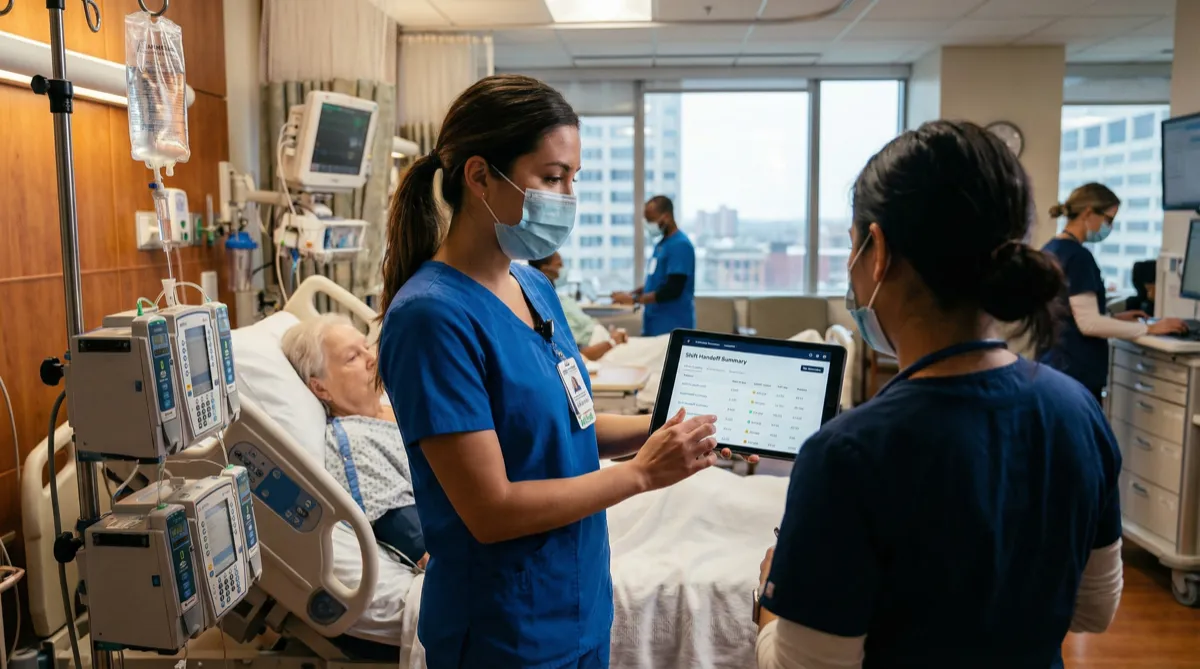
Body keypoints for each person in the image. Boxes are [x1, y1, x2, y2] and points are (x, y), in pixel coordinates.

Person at [375, 74, 747, 669]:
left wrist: (668, 430)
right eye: (551, 178)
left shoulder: (533, 286)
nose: (567, 196)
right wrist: (642, 476)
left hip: (580, 606)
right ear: (479, 177)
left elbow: (569, 424)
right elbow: (491, 509)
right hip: (504, 632)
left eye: (573, 179)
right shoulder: (431, 319)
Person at [753, 121, 1124, 669]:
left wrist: (770, 608)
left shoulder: (848, 454)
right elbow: (1094, 610)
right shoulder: (1079, 413)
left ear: (875, 251)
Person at [280, 313, 428, 568]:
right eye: (353, 357)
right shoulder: (353, 446)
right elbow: (421, 548)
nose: (372, 358)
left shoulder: (390, 402)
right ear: (320, 388)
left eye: (365, 346)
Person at [1039, 183, 1185, 402]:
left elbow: (1067, 312)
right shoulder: (1079, 257)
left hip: (1052, 365)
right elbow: (1089, 324)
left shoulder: (1051, 249)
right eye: (1108, 219)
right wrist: (1149, 328)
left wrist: (1112, 318)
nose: (1109, 227)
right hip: (1075, 373)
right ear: (1089, 212)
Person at [611, 195, 696, 336]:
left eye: (651, 219)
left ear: (667, 217)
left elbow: (672, 289)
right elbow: (656, 281)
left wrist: (634, 300)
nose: (648, 224)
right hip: (654, 323)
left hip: (672, 325)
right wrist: (631, 293)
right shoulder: (662, 245)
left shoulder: (680, 245)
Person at [530, 252, 629, 360]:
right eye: (559, 264)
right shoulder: (547, 306)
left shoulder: (562, 300)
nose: (563, 268)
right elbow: (579, 352)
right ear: (546, 269)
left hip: (606, 341)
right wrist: (612, 341)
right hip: (600, 349)